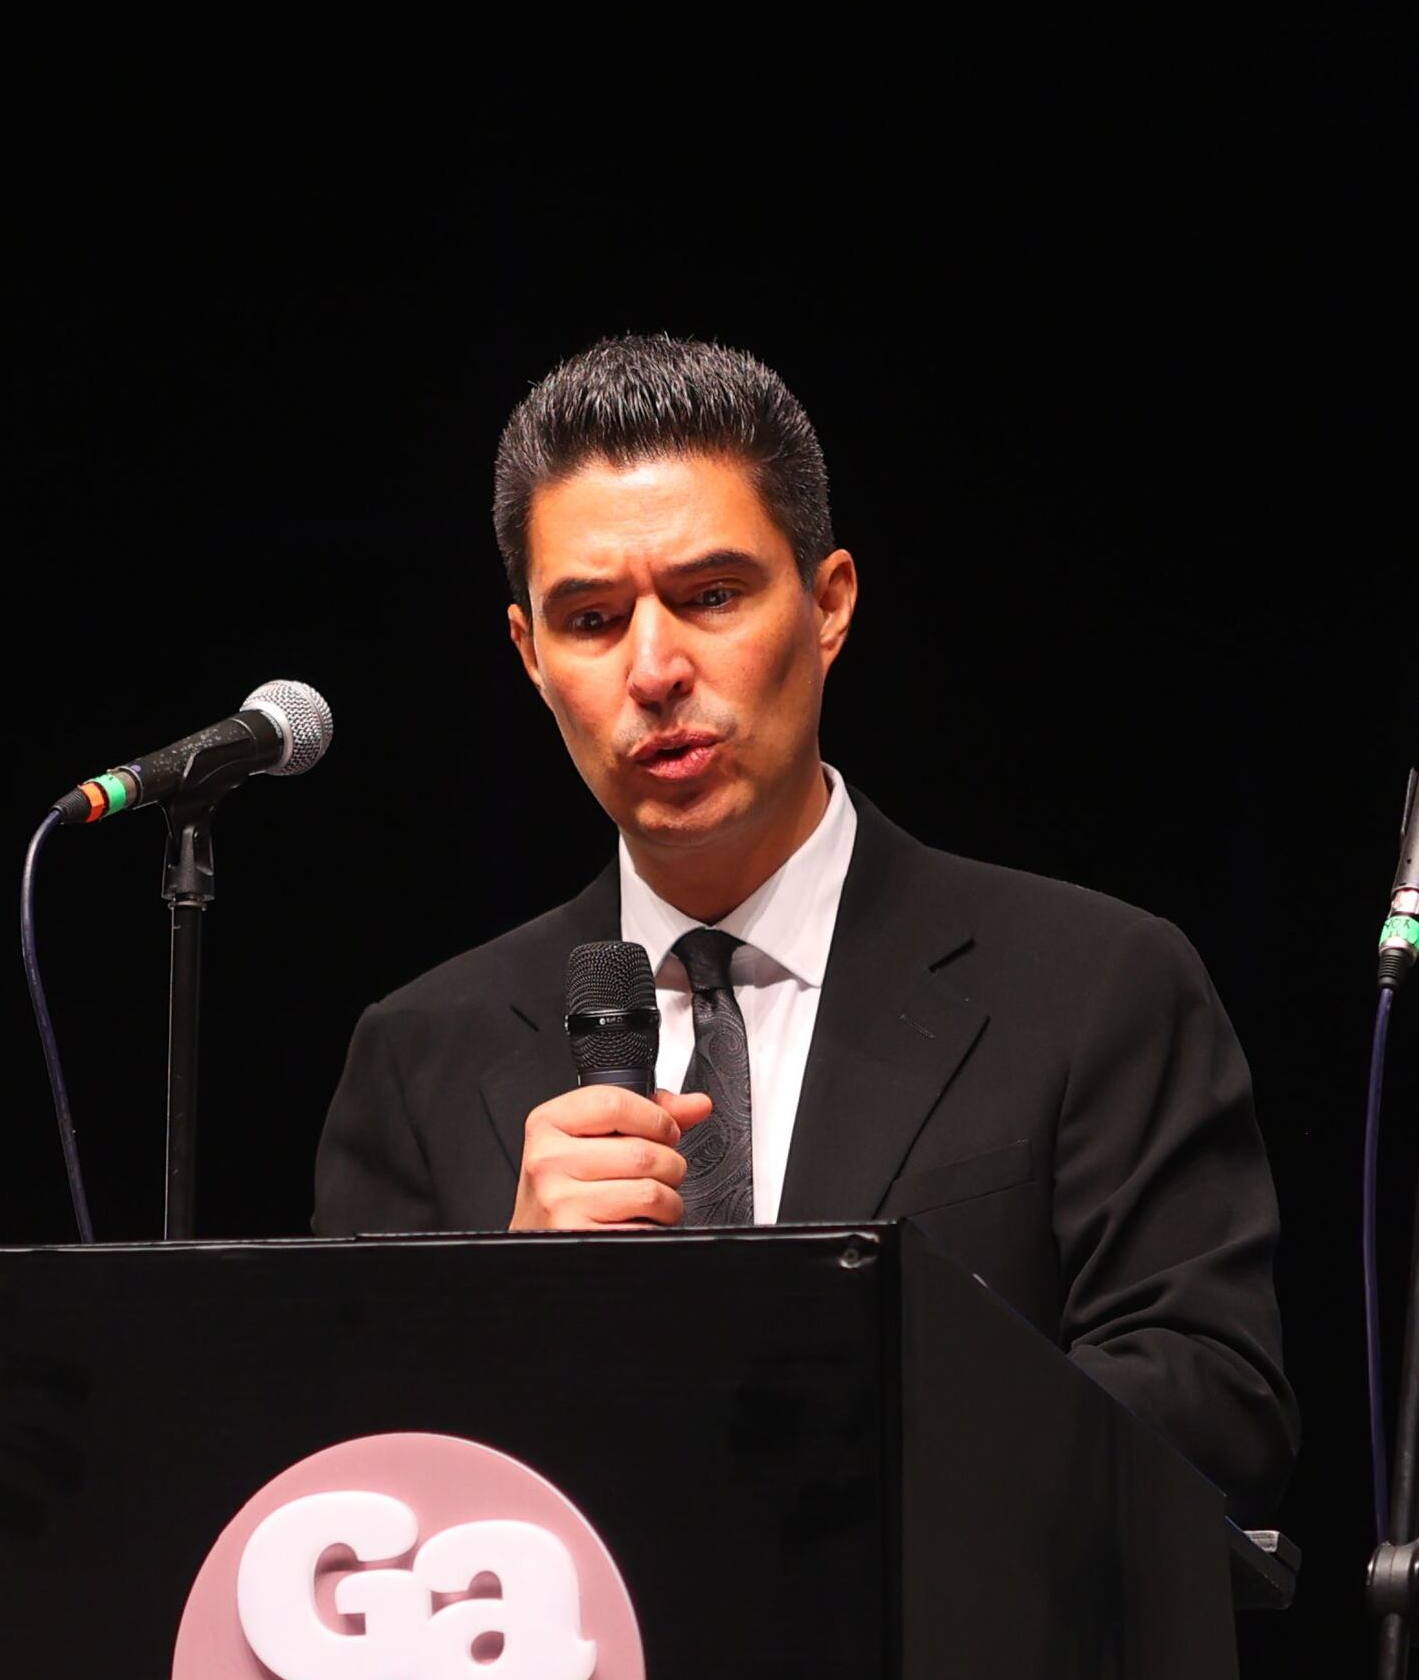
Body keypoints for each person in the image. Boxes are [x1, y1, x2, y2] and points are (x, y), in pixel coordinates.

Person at [310, 334, 1296, 1510]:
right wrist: (510, 1307)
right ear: (528, 655)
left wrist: (834, 1410)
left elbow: (1216, 1406)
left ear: (826, 605)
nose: (655, 668)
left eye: (710, 596)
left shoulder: (1091, 984)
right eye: (589, 620)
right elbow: (348, 1481)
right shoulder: (421, 1050)